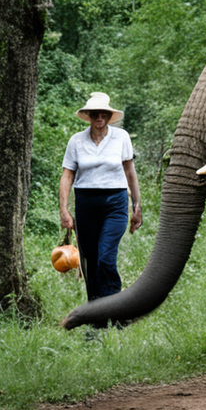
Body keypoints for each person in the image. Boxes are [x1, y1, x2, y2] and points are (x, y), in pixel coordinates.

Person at [59, 92, 142, 303]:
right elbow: (67, 175)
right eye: (95, 114)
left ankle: (113, 307)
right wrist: (64, 209)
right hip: (86, 204)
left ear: (109, 116)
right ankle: (95, 308)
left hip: (115, 203)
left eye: (103, 114)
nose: (99, 118)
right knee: (90, 259)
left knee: (106, 257)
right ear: (88, 116)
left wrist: (137, 205)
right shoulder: (76, 141)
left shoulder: (121, 137)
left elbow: (130, 172)